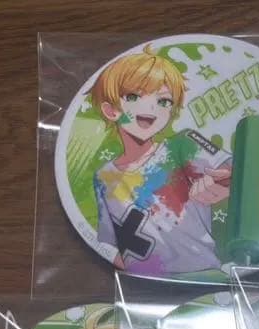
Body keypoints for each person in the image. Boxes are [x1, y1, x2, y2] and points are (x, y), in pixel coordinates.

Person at [91, 45, 232, 276]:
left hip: (205, 271)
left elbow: (231, 170)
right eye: (134, 97)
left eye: (164, 101)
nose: (151, 107)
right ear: (111, 111)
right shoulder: (103, 177)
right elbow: (108, 241)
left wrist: (224, 181)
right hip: (146, 282)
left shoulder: (182, 144)